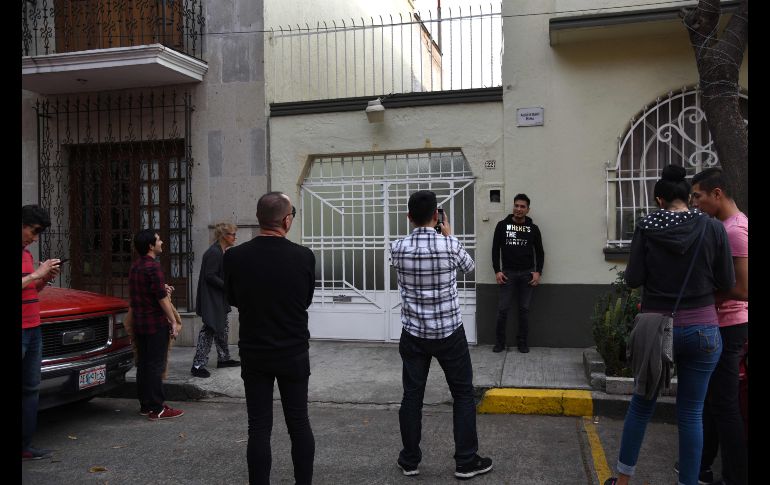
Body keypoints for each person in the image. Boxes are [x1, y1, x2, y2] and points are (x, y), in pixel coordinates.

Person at [604, 165, 735, 485]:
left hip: (656, 327)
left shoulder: (646, 226)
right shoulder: (712, 227)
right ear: (688, 197)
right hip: (703, 329)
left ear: (660, 200)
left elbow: (633, 278)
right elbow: (728, 281)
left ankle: (622, 481)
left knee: (641, 405)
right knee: (691, 414)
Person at [389, 190, 493, 480]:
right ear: (437, 215)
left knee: (412, 396)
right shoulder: (449, 245)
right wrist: (448, 235)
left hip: (413, 334)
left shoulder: (397, 247)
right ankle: (465, 461)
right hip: (449, 332)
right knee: (462, 395)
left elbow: (397, 266)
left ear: (409, 217)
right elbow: (470, 268)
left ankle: (409, 460)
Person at [224, 192, 315, 485]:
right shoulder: (304, 256)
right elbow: (306, 299)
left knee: (259, 427)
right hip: (293, 351)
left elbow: (233, 298)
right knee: (299, 423)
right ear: (286, 220)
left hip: (255, 351)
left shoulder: (235, 257)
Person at [685, 167, 748, 485]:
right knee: (711, 401)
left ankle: (736, 476)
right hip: (718, 322)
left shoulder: (735, 230)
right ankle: (703, 467)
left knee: (723, 404)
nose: (694, 202)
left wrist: (700, 295)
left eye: (697, 195)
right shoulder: (721, 226)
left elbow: (743, 288)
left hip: (729, 325)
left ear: (717, 194)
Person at [129, 229, 184, 420]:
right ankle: (157, 408)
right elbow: (161, 298)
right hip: (154, 323)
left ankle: (146, 404)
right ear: (151, 246)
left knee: (144, 364)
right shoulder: (153, 267)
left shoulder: (136, 266)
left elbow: (148, 292)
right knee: (155, 365)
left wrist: (162, 289)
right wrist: (172, 320)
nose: (162, 243)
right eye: (159, 240)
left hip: (140, 323)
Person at [22, 205, 61, 460]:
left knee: (31, 387)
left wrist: (44, 279)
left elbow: (30, 289)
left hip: (33, 327)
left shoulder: (25, 254)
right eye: (33, 231)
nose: (35, 238)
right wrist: (37, 273)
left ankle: (24, 446)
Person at [491, 193, 544, 353]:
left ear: (528, 210)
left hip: (527, 274)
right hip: (508, 273)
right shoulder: (502, 226)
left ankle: (522, 342)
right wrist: (497, 271)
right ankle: (500, 343)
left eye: (522, 206)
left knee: (524, 310)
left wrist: (537, 272)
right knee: (503, 310)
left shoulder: (533, 229)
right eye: (516, 205)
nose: (518, 209)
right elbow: (494, 250)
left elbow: (540, 252)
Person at [191, 222, 241, 378]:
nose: (235, 237)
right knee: (210, 328)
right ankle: (198, 365)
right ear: (224, 236)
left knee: (222, 327)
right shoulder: (214, 252)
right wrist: (228, 286)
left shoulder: (219, 250)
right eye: (232, 234)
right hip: (212, 298)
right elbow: (210, 276)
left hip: (218, 298)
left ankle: (224, 358)